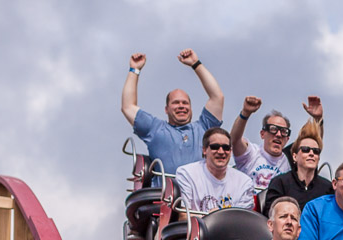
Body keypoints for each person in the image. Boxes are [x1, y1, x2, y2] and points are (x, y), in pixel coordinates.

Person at [121, 50, 225, 181]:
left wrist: (196, 64)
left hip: (200, 198)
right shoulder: (155, 129)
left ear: (191, 108)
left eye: (185, 103)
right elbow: (128, 106)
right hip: (167, 198)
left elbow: (217, 97)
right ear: (166, 109)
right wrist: (134, 70)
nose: (181, 106)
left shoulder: (204, 128)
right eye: (176, 103)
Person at [173, 128, 255, 214]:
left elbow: (243, 220)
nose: (221, 151)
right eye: (215, 147)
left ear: (230, 151)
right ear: (204, 150)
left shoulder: (245, 182)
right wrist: (212, 218)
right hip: (197, 227)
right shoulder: (186, 174)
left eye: (226, 148)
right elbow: (183, 216)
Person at [261, 121, 332, 217]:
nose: (311, 153)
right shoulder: (280, 182)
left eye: (316, 151)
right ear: (294, 156)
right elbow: (271, 216)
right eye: (306, 150)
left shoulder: (327, 187)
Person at [229, 97, 291, 194]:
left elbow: (312, 149)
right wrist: (245, 113)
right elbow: (234, 140)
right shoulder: (252, 153)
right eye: (273, 129)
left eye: (284, 132)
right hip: (248, 206)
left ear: (287, 139)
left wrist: (318, 120)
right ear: (262, 134)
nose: (278, 135)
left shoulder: (290, 161)